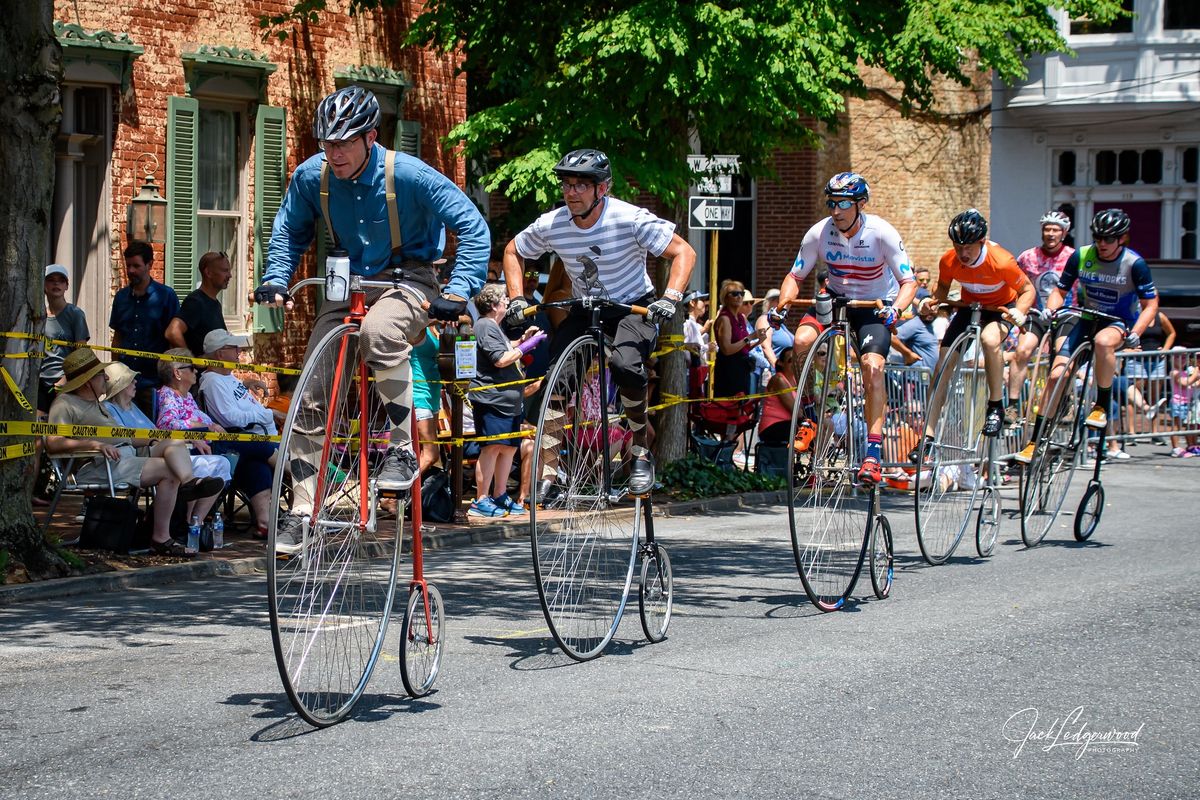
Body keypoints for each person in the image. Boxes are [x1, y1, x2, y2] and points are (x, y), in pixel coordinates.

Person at [255, 85, 489, 552]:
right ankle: (302, 510)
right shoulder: (311, 177)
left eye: (343, 143)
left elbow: (473, 226)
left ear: (371, 137)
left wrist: (458, 291)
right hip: (348, 282)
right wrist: (277, 277)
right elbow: (288, 230)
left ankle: (402, 449)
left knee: (380, 332)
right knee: (311, 389)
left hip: (412, 279)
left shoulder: (408, 173)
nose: (334, 154)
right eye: (327, 143)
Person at [500, 148, 696, 495]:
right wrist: (516, 297)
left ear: (601, 189)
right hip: (585, 306)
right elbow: (514, 250)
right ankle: (548, 470)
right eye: (567, 185)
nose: (571, 192)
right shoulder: (554, 223)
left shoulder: (629, 218)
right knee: (558, 380)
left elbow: (684, 252)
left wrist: (671, 298)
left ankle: (640, 450)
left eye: (580, 186)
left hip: (630, 306)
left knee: (625, 365)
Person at [775, 171, 917, 485]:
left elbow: (908, 282)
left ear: (860, 204)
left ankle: (873, 454)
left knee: (873, 367)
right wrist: (783, 303)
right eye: (831, 204)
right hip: (835, 301)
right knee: (801, 340)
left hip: (871, 306)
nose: (836, 211)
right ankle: (811, 417)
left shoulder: (881, 233)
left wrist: (898, 308)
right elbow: (794, 277)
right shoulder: (819, 233)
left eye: (843, 204)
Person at [1014, 208, 1159, 464]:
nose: (1102, 244)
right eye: (1098, 238)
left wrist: (1136, 332)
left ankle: (1101, 404)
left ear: (1122, 239)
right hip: (1086, 316)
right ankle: (1035, 440)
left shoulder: (1134, 263)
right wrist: (1051, 309)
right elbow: (1060, 290)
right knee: (1057, 374)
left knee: (1104, 342)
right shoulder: (1081, 255)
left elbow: (1151, 304)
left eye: (1109, 239)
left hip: (1117, 322)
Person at [46, 348, 220, 558]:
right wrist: (94, 444)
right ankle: (161, 538)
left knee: (174, 441)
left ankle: (189, 482)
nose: (107, 378)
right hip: (100, 464)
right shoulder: (65, 404)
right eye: (101, 375)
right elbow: (53, 443)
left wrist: (156, 438)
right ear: (87, 381)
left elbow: (124, 436)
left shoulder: (96, 404)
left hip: (125, 455)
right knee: (168, 471)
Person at [910, 209, 1035, 458]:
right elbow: (943, 288)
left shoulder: (1002, 261)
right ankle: (928, 436)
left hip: (1001, 309)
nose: (963, 253)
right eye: (958, 247)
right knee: (942, 366)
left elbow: (1028, 290)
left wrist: (1019, 312)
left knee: (990, 340)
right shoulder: (949, 260)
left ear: (982, 242)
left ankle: (996, 406)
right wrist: (930, 302)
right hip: (970, 306)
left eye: (968, 247)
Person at [106, 360, 229, 531]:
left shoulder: (133, 407)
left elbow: (156, 432)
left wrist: (186, 438)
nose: (135, 382)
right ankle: (187, 509)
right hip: (140, 454)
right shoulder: (110, 409)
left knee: (222, 463)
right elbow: (125, 437)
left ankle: (194, 522)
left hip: (159, 450)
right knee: (182, 450)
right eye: (130, 379)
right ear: (120, 385)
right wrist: (181, 438)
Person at [468, 285, 540, 517]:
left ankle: (499, 494)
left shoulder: (494, 327)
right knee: (491, 448)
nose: (508, 301)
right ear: (493, 305)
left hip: (509, 401)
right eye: (504, 299)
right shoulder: (484, 326)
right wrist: (527, 347)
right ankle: (481, 499)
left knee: (508, 449)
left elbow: (506, 347)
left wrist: (522, 341)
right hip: (491, 399)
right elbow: (500, 359)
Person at [1007, 211, 1077, 427]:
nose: (1050, 233)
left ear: (1064, 233)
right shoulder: (1028, 257)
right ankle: (1012, 406)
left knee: (1063, 357)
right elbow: (1015, 284)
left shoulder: (1074, 256)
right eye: (1047, 229)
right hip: (1037, 313)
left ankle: (1067, 401)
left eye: (1055, 229)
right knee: (1022, 351)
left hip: (1067, 314)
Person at [109, 240, 180, 417]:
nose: (131, 270)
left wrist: (170, 379)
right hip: (124, 381)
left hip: (153, 382)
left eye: (136, 266)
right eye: (128, 266)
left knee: (154, 432)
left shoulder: (166, 296)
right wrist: (115, 370)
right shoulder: (121, 297)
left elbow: (173, 341)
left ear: (150, 264)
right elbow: (117, 337)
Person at [39, 264, 90, 415]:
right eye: (51, 280)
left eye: (61, 281)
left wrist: (66, 379)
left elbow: (82, 353)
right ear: (43, 285)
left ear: (67, 286)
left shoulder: (75, 314)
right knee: (38, 430)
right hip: (39, 382)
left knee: (61, 430)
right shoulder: (37, 315)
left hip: (66, 383)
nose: (56, 284)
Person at [166, 251, 230, 355]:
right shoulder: (195, 301)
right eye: (225, 270)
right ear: (208, 273)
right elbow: (172, 332)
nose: (229, 275)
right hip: (199, 371)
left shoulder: (216, 304)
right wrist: (191, 361)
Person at [712, 280, 764, 400]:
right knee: (729, 407)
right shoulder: (725, 319)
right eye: (734, 294)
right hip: (729, 368)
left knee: (742, 406)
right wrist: (750, 337)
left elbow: (743, 347)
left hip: (742, 367)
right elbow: (727, 349)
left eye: (741, 293)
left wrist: (758, 341)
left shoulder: (741, 318)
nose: (739, 296)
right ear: (726, 297)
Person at [890, 299, 940, 373]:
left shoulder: (929, 325)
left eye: (933, 310)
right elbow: (892, 337)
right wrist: (908, 354)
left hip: (928, 378)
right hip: (915, 379)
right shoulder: (915, 324)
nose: (930, 313)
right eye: (928, 310)